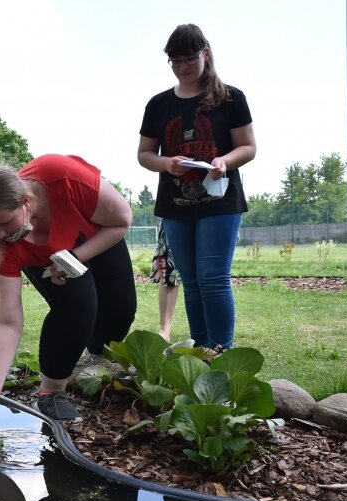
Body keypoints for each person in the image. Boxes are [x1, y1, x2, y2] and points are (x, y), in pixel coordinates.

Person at [0, 154, 137, 426]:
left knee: (120, 310)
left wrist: (73, 258)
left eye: (5, 222)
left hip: (99, 233)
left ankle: (95, 363)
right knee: (78, 304)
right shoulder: (6, 244)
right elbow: (6, 322)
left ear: (27, 202)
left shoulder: (63, 176)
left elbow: (122, 219)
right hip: (44, 256)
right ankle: (51, 391)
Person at [137, 23, 256, 353]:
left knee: (212, 278)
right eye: (174, 61)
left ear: (206, 54)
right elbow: (145, 155)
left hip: (220, 201)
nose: (181, 67)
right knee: (190, 281)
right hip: (175, 204)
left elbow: (248, 147)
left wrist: (224, 162)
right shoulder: (159, 105)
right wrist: (166, 163)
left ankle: (221, 353)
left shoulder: (230, 98)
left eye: (188, 58)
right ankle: (201, 348)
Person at [150, 223, 179, 342]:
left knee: (207, 276)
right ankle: (164, 331)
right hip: (174, 212)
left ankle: (208, 333)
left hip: (213, 212)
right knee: (169, 270)